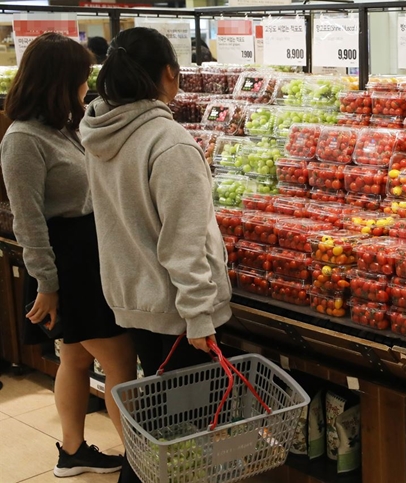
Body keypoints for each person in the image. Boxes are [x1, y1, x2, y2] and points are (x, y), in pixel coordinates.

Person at [80, 27, 232, 481]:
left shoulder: (99, 130)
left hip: (133, 298)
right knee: (184, 439)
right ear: (170, 72)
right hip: (179, 313)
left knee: (158, 427)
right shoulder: (170, 144)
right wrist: (201, 319)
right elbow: (183, 246)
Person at [0, 33, 137, 477]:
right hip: (68, 263)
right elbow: (29, 221)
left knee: (76, 356)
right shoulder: (22, 140)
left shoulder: (62, 127)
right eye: (82, 77)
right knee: (118, 360)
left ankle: (72, 450)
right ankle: (140, 463)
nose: (87, 85)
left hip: (88, 252)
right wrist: (48, 284)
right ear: (59, 81)